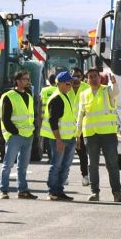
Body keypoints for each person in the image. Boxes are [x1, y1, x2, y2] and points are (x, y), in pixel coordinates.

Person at [77, 68, 121, 202]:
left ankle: (117, 193)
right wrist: (77, 134)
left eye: (95, 76)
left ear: (100, 77)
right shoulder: (84, 94)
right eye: (90, 77)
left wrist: (114, 83)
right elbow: (81, 115)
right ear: (87, 79)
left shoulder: (106, 90)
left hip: (108, 133)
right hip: (90, 134)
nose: (93, 79)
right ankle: (94, 192)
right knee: (92, 165)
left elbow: (115, 92)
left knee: (112, 164)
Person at [0, 70, 38, 200]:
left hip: (28, 135)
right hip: (15, 136)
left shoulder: (29, 96)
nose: (28, 81)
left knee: (23, 166)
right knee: (8, 164)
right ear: (18, 81)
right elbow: (6, 118)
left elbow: (31, 115)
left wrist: (33, 130)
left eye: (28, 79)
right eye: (25, 79)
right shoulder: (9, 96)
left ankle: (23, 190)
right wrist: (14, 132)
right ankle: (3, 190)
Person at [41, 71, 77, 201]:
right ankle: (52, 191)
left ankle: (59, 190)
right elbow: (53, 121)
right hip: (60, 139)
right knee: (56, 165)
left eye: (72, 83)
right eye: (68, 83)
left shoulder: (65, 96)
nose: (71, 85)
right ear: (60, 84)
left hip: (69, 138)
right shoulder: (56, 98)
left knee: (65, 166)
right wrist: (59, 140)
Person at [68, 68, 89, 186]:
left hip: (82, 126)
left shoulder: (86, 88)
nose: (76, 79)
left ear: (82, 77)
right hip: (67, 126)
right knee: (66, 154)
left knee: (82, 153)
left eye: (78, 76)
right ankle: (64, 176)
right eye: (73, 77)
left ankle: (85, 176)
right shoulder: (66, 87)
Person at [40, 73, 58, 161]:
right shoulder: (58, 90)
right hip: (56, 118)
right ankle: (55, 157)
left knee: (47, 140)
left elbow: (39, 104)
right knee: (55, 138)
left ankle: (50, 157)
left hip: (45, 118)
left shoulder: (43, 90)